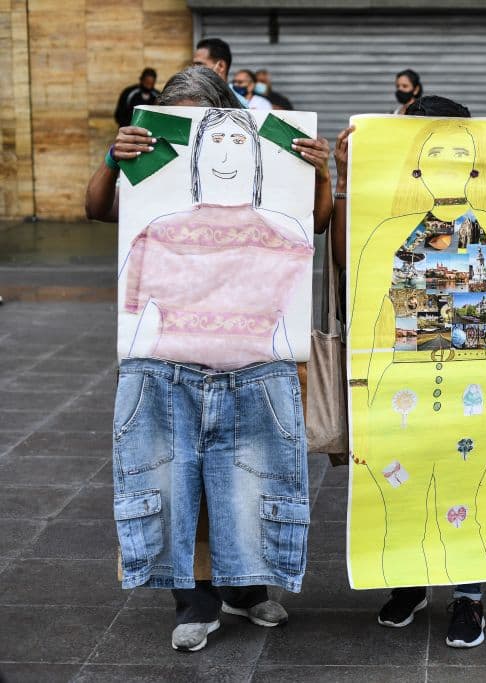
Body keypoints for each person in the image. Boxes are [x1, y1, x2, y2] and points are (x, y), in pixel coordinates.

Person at [84, 66, 333, 652]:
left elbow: (315, 222)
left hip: (253, 368)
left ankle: (245, 591)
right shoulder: (150, 161)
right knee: (180, 485)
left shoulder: (271, 180)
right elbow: (98, 208)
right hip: (171, 367)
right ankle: (194, 601)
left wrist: (321, 173)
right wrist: (113, 159)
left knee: (247, 481)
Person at [334, 95, 486, 649]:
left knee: (467, 495)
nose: (448, 163)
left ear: (475, 163)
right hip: (399, 382)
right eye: (434, 152)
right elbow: (360, 306)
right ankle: (407, 583)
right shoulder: (385, 230)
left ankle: (468, 598)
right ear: (416, 164)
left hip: (474, 385)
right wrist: (344, 180)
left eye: (460, 152)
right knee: (399, 491)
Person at [192, 38, 248, 108]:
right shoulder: (190, 98)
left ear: (221, 66)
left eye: (199, 64)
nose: (193, 69)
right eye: (193, 65)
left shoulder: (240, 105)